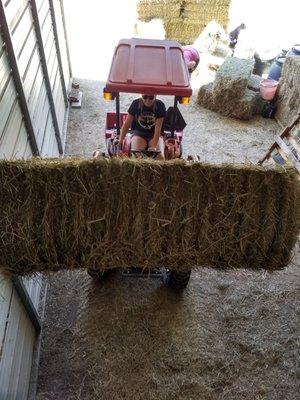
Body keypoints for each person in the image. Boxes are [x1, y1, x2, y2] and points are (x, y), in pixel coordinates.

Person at [116, 94, 166, 160]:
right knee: (136, 155)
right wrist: (120, 140)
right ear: (141, 95)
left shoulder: (160, 105)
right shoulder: (135, 103)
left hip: (154, 135)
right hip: (139, 134)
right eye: (144, 97)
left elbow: (158, 128)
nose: (147, 100)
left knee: (160, 157)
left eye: (151, 97)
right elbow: (127, 124)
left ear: (155, 95)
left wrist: (153, 147)